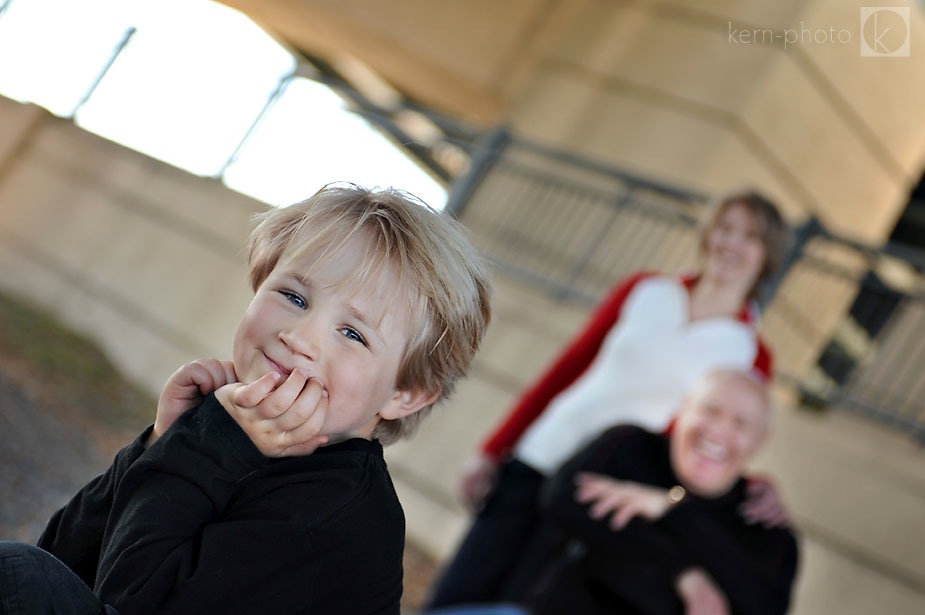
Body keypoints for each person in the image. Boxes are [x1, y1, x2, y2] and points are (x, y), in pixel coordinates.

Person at [0, 184, 492, 614]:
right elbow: (65, 559)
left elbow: (126, 599)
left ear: (405, 394)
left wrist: (206, 445)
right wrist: (161, 444)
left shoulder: (335, 515)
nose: (301, 337)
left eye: (352, 333)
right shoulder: (228, 440)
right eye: (295, 298)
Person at [425, 191, 789, 608]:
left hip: (598, 493)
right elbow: (567, 368)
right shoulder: (646, 289)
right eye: (725, 228)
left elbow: (726, 435)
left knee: (518, 606)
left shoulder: (750, 352)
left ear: (767, 255)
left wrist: (760, 486)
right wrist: (493, 448)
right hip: (539, 456)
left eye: (750, 236)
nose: (731, 243)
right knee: (455, 595)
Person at [521, 368, 799, 614]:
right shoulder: (629, 446)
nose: (718, 431)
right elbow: (562, 500)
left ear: (760, 441)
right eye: (710, 411)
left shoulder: (769, 532)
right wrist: (686, 573)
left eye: (740, 423)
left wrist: (672, 509)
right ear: (682, 410)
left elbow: (763, 603)